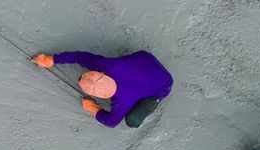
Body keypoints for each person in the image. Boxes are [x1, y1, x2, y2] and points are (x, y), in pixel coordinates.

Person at [33, 48, 172, 128]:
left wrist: (92, 107)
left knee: (132, 121)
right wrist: (50, 59)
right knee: (135, 72)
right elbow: (78, 56)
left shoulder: (122, 102)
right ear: (101, 73)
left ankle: (156, 100)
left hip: (164, 85)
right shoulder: (107, 66)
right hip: (148, 62)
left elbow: (112, 122)